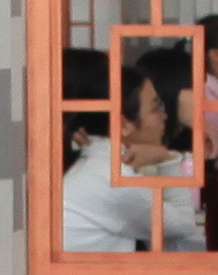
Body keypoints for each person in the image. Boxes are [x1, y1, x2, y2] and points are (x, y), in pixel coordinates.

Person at [55, 38, 206, 251]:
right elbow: (183, 224)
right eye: (155, 108)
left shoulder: (91, 160)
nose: (165, 116)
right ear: (123, 124)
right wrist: (167, 158)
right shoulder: (112, 176)